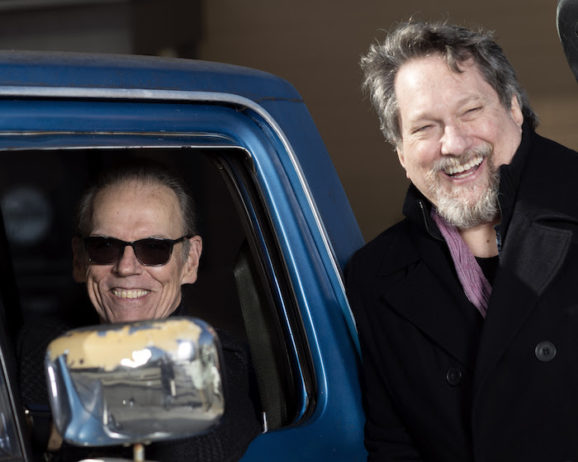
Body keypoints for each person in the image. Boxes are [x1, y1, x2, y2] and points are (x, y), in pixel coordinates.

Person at [346, 21, 578, 461]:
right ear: (400, 151)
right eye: (424, 128)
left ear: (514, 108)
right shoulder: (374, 277)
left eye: (470, 112)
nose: (453, 143)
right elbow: (393, 447)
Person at [37, 160, 260, 461]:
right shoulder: (41, 357)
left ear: (190, 261)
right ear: (79, 260)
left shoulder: (213, 369)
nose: (126, 267)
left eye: (154, 248)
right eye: (104, 246)